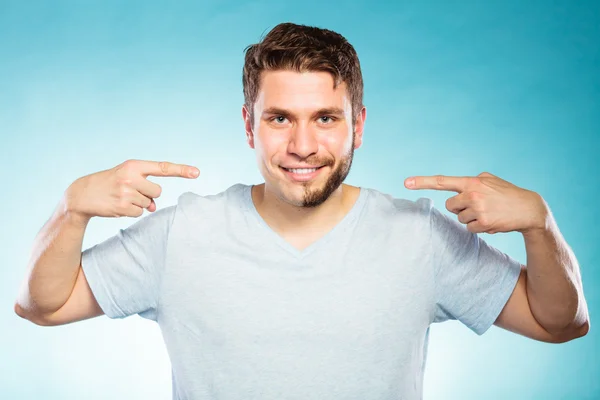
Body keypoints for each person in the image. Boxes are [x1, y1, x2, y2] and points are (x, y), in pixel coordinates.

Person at [15, 22, 589, 400]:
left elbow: (559, 323)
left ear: (358, 125)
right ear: (249, 125)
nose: (303, 146)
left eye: (326, 118)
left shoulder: (421, 237)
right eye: (280, 117)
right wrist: (71, 212)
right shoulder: (182, 233)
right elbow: (43, 305)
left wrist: (541, 225)